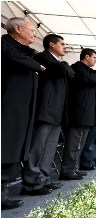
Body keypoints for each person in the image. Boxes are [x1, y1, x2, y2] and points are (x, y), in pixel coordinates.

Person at [21, 34, 75, 196]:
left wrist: (65, 66)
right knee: (37, 147)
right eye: (62, 44)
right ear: (51, 45)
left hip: (57, 112)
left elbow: (70, 72)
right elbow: (64, 70)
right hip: (45, 109)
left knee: (49, 148)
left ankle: (42, 179)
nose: (65, 47)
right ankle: (30, 183)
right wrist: (64, 65)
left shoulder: (56, 61)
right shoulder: (42, 57)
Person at [1, 17, 45, 210]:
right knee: (6, 148)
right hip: (8, 107)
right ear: (17, 28)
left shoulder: (25, 52)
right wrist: (36, 65)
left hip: (22, 109)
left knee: (14, 150)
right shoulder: (5, 45)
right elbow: (12, 58)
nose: (34, 34)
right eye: (31, 29)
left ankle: (2, 194)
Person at [61, 48, 96, 180]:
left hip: (86, 113)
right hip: (79, 112)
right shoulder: (78, 68)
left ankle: (74, 167)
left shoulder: (88, 71)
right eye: (94, 57)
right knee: (74, 143)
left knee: (80, 143)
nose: (95, 60)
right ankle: (67, 170)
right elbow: (94, 81)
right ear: (86, 57)